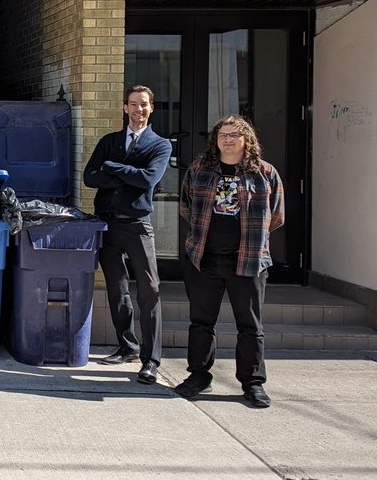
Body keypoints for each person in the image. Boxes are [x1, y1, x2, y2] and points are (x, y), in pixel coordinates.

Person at [176, 116, 284, 408]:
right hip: (204, 259)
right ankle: (199, 376)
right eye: (223, 135)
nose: (228, 140)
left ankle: (253, 383)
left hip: (248, 260)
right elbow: (186, 206)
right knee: (201, 322)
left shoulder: (265, 173)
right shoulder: (199, 170)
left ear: (246, 139)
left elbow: (276, 215)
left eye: (235, 135)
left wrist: (252, 240)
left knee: (250, 325)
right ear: (215, 140)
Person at [82, 85, 172, 385]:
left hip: (137, 225)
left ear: (151, 107)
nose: (138, 109)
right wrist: (126, 174)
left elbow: (148, 179)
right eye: (133, 104)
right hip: (107, 224)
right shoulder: (109, 141)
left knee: (149, 290)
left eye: (143, 104)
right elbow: (90, 177)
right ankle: (127, 346)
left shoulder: (160, 145)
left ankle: (151, 361)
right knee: (116, 288)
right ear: (125, 108)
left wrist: (112, 168)